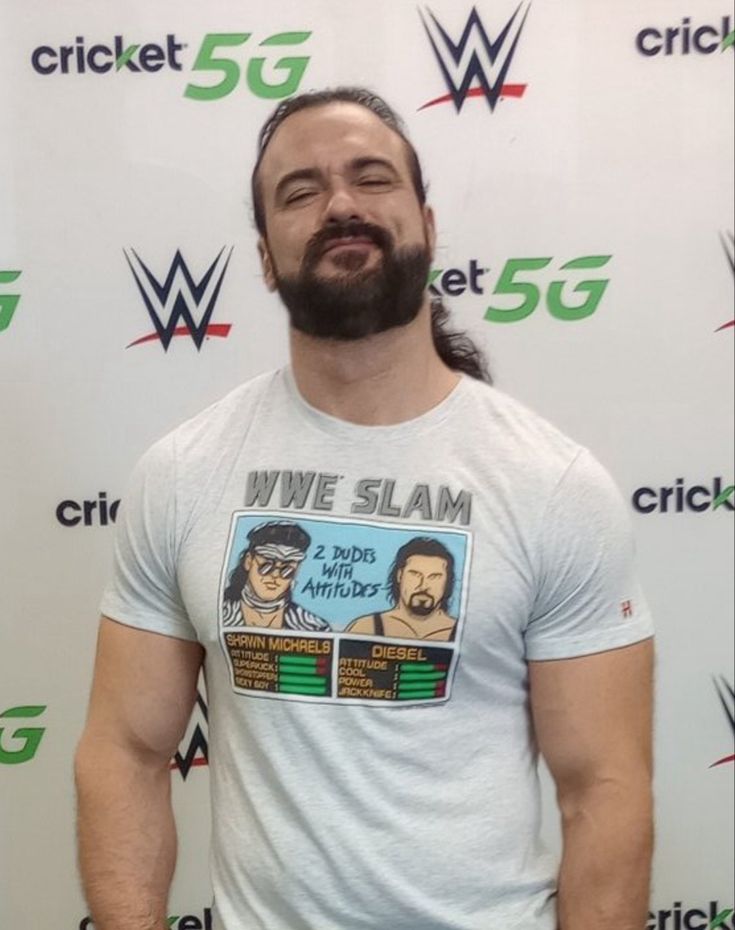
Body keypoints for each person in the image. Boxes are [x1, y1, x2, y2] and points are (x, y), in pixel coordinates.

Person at [75, 87, 654, 930]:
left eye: (370, 178)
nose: (340, 204)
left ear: (424, 220)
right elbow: (124, 753)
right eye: (299, 192)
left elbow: (602, 788)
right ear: (267, 257)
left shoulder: (550, 484)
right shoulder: (185, 474)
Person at [221, 520, 330, 631]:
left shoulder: (314, 627)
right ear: (249, 561)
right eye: (267, 565)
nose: (275, 575)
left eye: (286, 570)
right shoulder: (221, 614)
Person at [346, 536, 458, 640]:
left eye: (434, 577)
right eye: (415, 574)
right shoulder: (365, 628)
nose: (423, 586)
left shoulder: (461, 632)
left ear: (447, 582)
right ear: (400, 576)